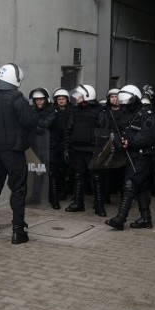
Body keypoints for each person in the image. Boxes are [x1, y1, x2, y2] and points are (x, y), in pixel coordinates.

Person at [0, 63, 38, 244]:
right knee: (18, 188)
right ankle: (18, 230)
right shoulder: (16, 98)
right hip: (13, 151)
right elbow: (30, 121)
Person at [104, 85, 155, 230]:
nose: (124, 104)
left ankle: (120, 219)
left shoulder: (147, 113)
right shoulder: (126, 112)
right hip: (130, 155)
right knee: (141, 187)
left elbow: (149, 135)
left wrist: (131, 142)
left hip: (143, 155)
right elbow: (117, 132)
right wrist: (121, 141)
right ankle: (146, 218)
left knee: (130, 183)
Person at [63, 84, 105, 215]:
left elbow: (104, 132)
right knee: (78, 176)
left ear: (87, 97)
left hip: (93, 150)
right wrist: (66, 148)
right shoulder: (74, 111)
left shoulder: (99, 111)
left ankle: (99, 206)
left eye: (79, 96)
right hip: (77, 150)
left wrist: (101, 151)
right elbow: (68, 130)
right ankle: (78, 203)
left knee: (97, 178)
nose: (76, 98)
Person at [28, 87, 59, 209]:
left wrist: (34, 123)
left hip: (51, 146)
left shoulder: (53, 110)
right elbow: (29, 123)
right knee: (37, 171)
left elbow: (45, 124)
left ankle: (54, 199)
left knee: (51, 173)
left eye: (41, 99)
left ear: (46, 100)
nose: (39, 102)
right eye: (36, 100)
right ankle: (36, 197)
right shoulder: (32, 110)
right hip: (36, 145)